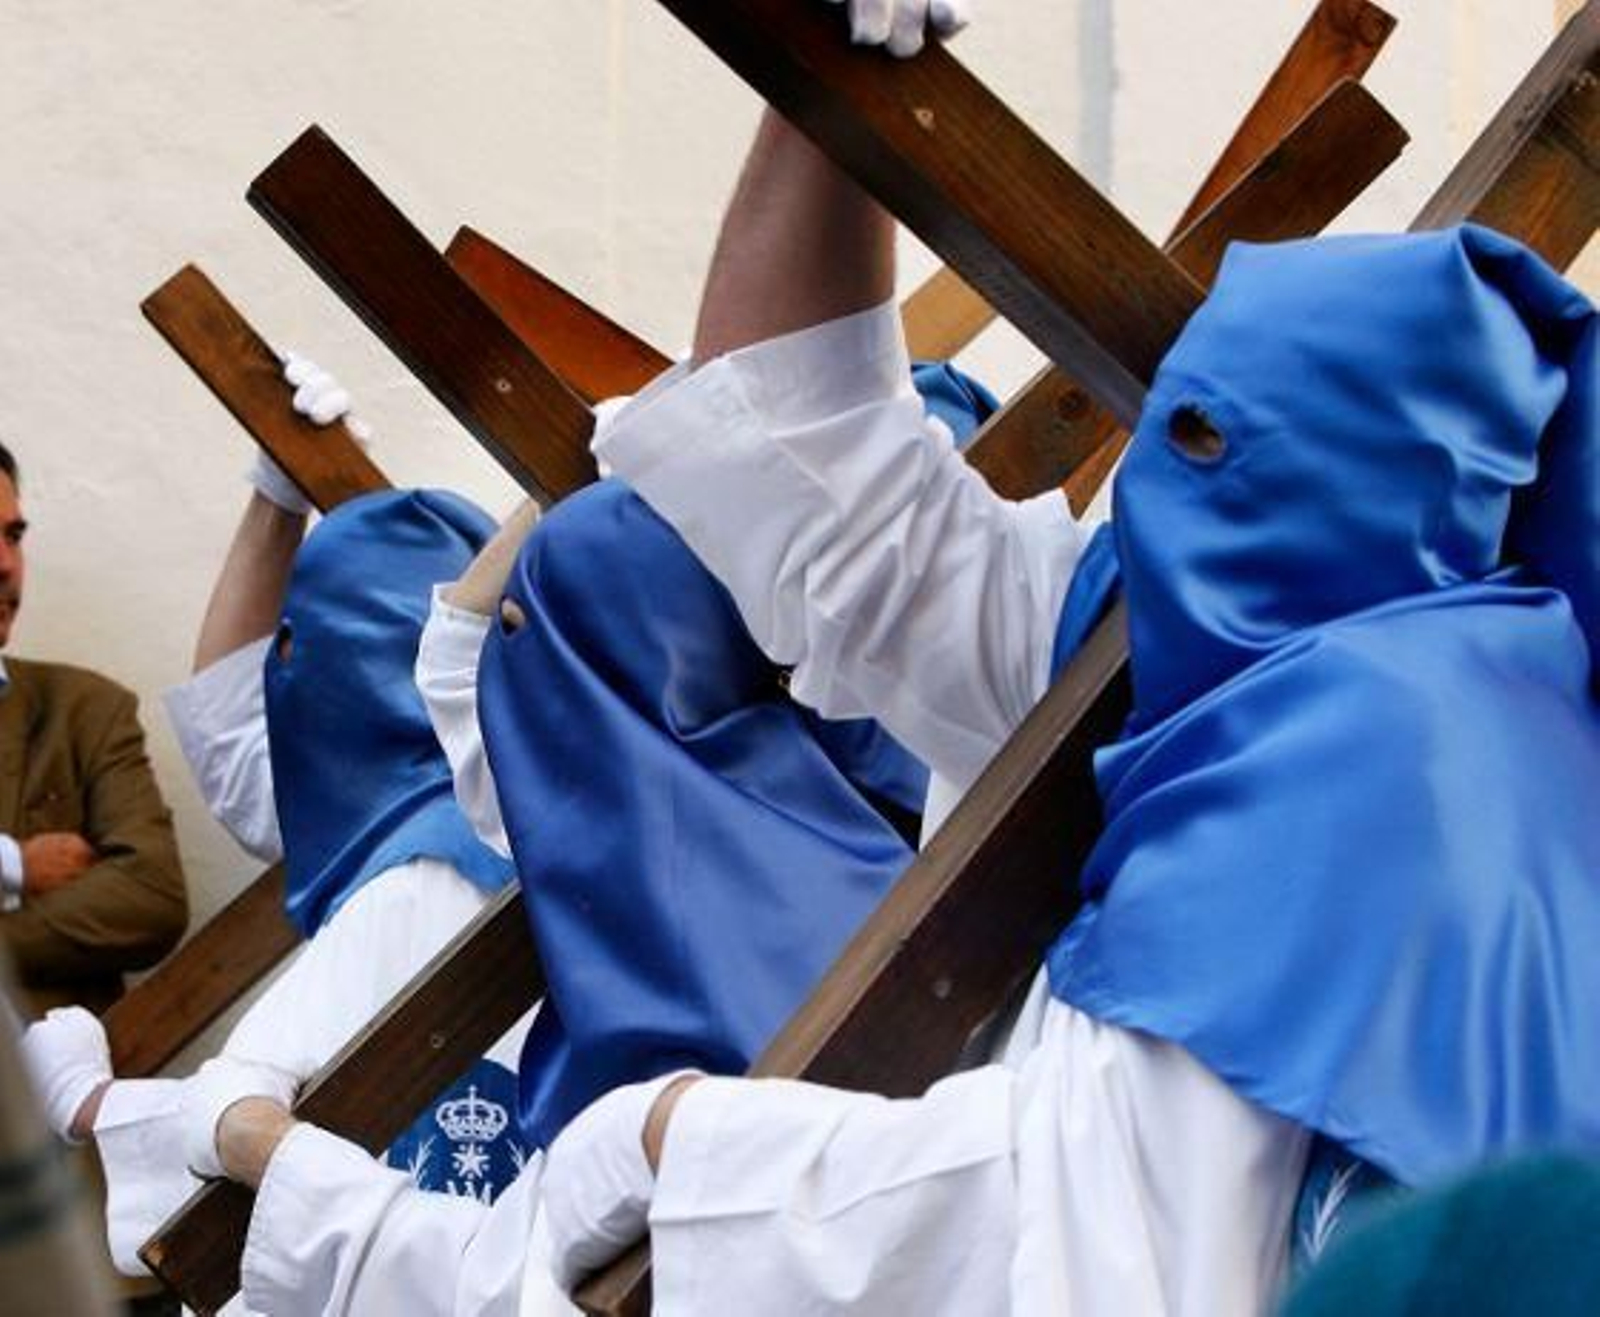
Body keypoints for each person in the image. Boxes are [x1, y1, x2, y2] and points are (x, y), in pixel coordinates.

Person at [525, 93, 1600, 1317]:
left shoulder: (1364, 758)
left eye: (1194, 434)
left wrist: (669, 1138)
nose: (1146, 488)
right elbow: (820, 503)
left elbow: (1076, 1228)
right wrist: (831, 114)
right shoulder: (1259, 627)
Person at [21, 365, 532, 1290]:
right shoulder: (465, 810)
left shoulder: (424, 876)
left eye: (297, 648)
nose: (280, 681)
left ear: (352, 677)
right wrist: (274, 504)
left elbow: (241, 1124)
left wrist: (86, 1102)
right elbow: (236, 744)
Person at [0, 440, 188, 1017]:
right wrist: (15, 866)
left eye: (13, 536)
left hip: (43, 1098)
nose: (6, 564)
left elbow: (150, 897)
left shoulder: (83, 709)